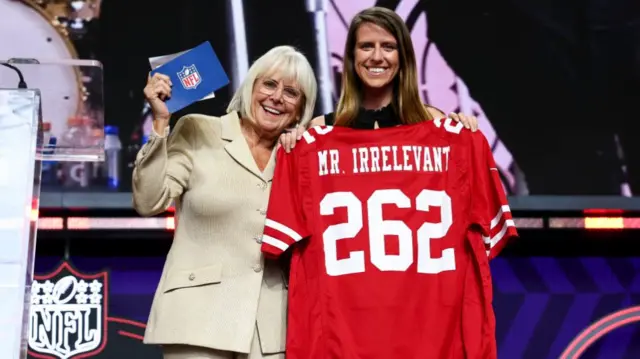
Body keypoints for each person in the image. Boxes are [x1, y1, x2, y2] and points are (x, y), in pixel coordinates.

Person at [132, 45, 317, 359]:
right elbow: (149, 201)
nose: (277, 97)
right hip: (197, 318)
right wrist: (161, 123)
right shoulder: (198, 130)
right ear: (250, 88)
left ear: (300, 109)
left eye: (291, 93)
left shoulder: (299, 154)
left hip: (271, 329)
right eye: (269, 85)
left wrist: (306, 145)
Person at [279, 6, 479, 152]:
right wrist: (293, 146)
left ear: (403, 56)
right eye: (366, 46)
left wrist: (463, 134)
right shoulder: (321, 129)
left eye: (388, 47)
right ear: (352, 56)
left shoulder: (435, 122)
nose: (376, 57)